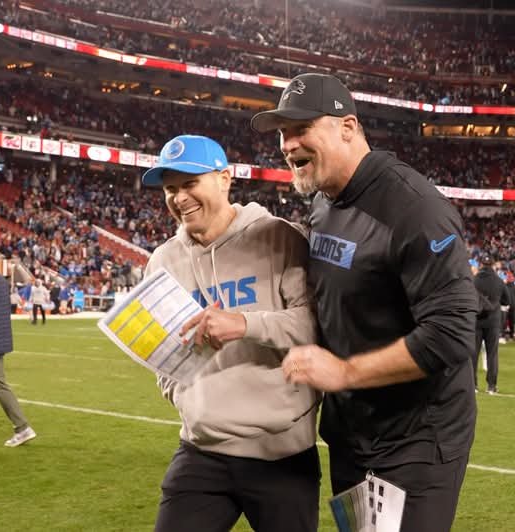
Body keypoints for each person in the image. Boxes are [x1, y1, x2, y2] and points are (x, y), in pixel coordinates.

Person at [252, 73, 478, 532]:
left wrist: (346, 372)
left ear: (348, 127)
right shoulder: (323, 202)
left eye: (300, 128)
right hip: (352, 433)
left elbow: (452, 333)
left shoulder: (415, 209)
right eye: (282, 132)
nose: (287, 143)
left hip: (416, 438)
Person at [141, 134, 321, 532]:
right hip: (201, 451)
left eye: (190, 184)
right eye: (170, 188)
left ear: (224, 179)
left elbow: (314, 326)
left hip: (281, 454)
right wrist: (183, 395)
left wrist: (244, 324)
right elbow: (160, 351)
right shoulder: (163, 261)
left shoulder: (279, 238)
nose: (179, 197)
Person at [0, 261, 37, 447]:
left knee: (0, 387)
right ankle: (23, 427)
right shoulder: (0, 280)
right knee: (1, 387)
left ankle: (23, 427)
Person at [473, 255, 509, 394]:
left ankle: (474, 385)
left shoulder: (474, 280)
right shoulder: (499, 281)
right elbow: (507, 301)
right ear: (493, 264)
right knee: (492, 354)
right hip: (493, 321)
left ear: (481, 264)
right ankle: (491, 386)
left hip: (476, 321)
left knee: (473, 354)